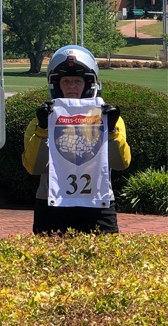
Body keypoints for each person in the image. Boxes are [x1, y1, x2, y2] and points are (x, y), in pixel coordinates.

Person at [22, 45, 131, 235]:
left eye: (77, 81)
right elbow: (34, 168)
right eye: (65, 81)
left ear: (89, 85)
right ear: (56, 86)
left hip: (97, 203)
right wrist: (43, 130)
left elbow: (121, 163)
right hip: (52, 204)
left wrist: (112, 131)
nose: (71, 86)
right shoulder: (40, 121)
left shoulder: (109, 118)